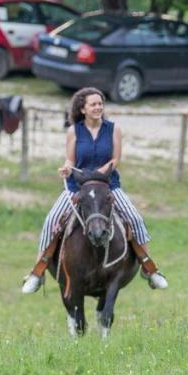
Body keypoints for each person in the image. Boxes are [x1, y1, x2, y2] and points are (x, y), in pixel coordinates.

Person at [21, 87, 169, 293]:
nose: (98, 107)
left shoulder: (114, 129)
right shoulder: (73, 131)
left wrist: (98, 173)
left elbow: (115, 159)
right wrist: (66, 168)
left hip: (108, 185)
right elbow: (71, 159)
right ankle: (37, 273)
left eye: (100, 103)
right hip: (77, 186)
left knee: (134, 218)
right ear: (83, 108)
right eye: (93, 104)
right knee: (51, 220)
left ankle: (150, 269)